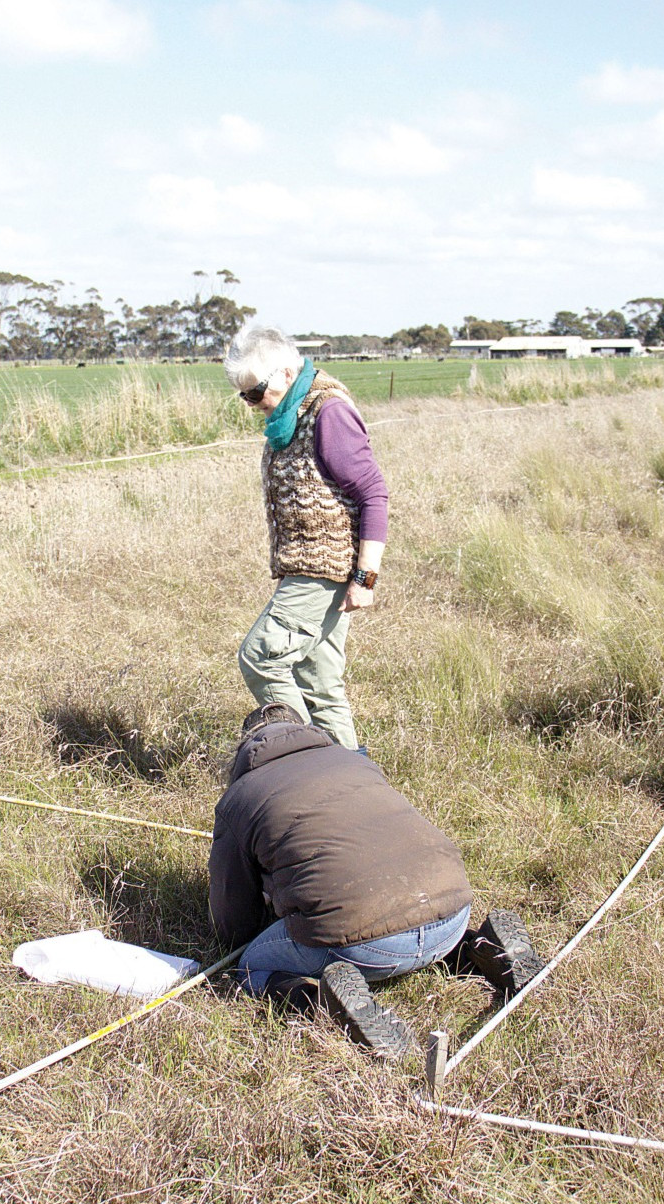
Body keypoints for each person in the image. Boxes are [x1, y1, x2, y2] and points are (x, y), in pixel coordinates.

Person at [208, 703, 545, 1057]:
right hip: (452, 911)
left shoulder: (240, 796)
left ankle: (322, 1000)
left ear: (244, 750)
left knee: (251, 963)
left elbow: (232, 920)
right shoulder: (354, 760)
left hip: (360, 945)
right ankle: (486, 949)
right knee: (412, 920)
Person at [224, 325, 389, 751]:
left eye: (255, 392)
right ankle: (351, 783)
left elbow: (373, 493)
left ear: (283, 373)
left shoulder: (327, 410)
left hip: (323, 569)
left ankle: (304, 759)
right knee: (319, 682)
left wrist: (366, 578)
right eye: (244, 396)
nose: (253, 404)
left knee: (261, 658)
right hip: (310, 565)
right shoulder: (291, 411)